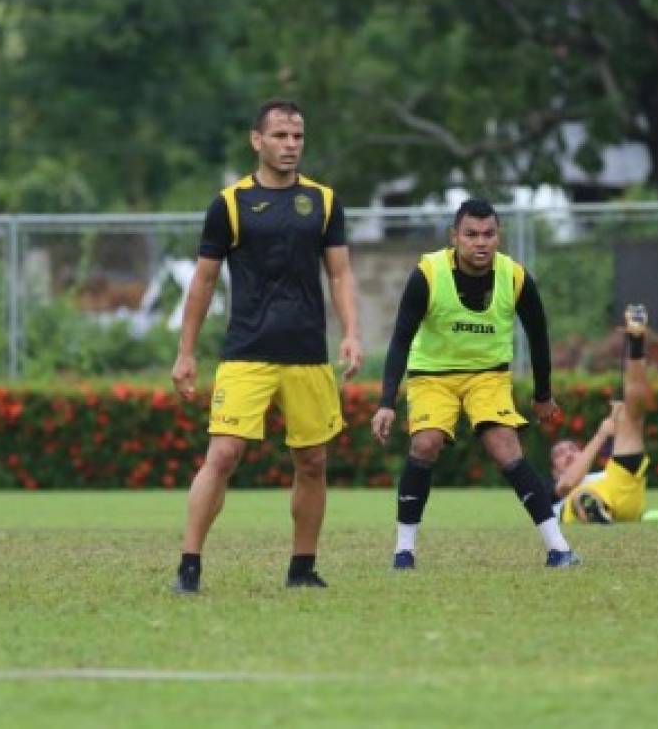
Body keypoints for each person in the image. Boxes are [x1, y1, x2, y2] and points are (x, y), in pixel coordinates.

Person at [169, 99, 363, 593]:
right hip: (246, 353)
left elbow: (340, 274)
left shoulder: (323, 201)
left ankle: (302, 568)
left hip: (307, 354)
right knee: (225, 453)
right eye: (279, 136)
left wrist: (353, 334)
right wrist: (186, 352)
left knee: (313, 461)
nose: (290, 145)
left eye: (297, 137)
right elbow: (203, 283)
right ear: (257, 141)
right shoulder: (229, 204)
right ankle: (189, 566)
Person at [370, 198, 579, 569]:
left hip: (488, 375)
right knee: (426, 442)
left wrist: (544, 394)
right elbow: (401, 338)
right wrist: (386, 401)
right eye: (471, 234)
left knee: (506, 447)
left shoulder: (515, 277)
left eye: (488, 234)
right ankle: (404, 551)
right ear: (455, 237)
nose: (480, 242)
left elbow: (538, 336)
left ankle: (559, 548)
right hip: (433, 376)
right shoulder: (428, 273)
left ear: (498, 237)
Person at [550, 305, 652, 524]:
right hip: (578, 502)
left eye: (572, 449)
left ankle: (636, 341)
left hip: (623, 491)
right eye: (559, 453)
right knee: (581, 495)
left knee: (632, 417)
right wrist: (601, 434)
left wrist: (617, 418)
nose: (567, 453)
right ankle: (593, 508)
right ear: (554, 471)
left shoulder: (601, 475)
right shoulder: (558, 492)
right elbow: (568, 484)